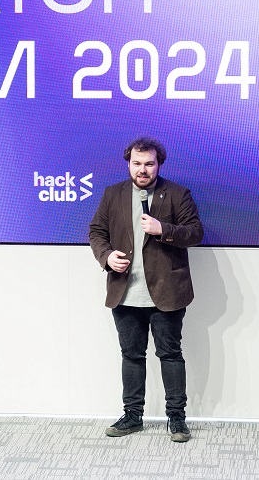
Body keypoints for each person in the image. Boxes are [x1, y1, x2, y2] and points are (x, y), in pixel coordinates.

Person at [89, 136, 204, 443]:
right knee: (131, 355)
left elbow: (195, 233)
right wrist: (106, 256)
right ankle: (132, 416)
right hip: (125, 292)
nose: (143, 169)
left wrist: (162, 229)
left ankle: (177, 418)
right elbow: (97, 231)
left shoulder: (177, 194)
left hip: (167, 292)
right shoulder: (112, 194)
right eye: (137, 163)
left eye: (149, 164)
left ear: (158, 164)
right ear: (128, 164)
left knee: (170, 354)